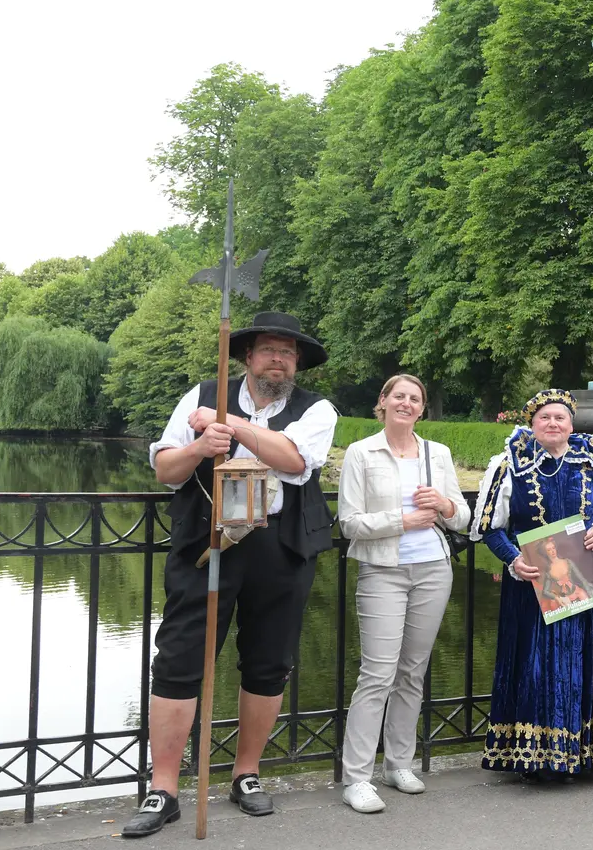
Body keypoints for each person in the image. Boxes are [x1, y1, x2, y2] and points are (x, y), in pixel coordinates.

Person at [124, 312, 338, 837]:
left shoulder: (317, 409)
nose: (278, 360)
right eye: (268, 349)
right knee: (178, 658)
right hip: (209, 540)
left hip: (279, 544)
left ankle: (246, 774)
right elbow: (166, 470)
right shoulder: (200, 393)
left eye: (288, 353)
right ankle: (165, 788)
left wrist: (232, 426)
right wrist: (200, 446)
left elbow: (293, 461)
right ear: (247, 356)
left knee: (268, 662)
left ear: (297, 363)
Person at [470, 390, 593, 782]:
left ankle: (582, 756)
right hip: (530, 584)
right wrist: (513, 558)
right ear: (532, 424)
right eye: (544, 418)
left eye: (560, 418)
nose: (553, 424)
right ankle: (536, 760)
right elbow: (489, 528)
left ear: (571, 424)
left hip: (581, 581)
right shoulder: (510, 463)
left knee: (581, 661)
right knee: (534, 664)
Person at [337, 374, 470, 812]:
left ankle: (399, 764)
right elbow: (350, 522)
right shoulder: (362, 452)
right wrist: (401, 520)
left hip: (433, 569)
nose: (407, 404)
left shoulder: (438, 453)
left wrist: (446, 506)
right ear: (384, 402)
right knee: (377, 674)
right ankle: (357, 777)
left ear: (421, 407)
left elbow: (462, 517)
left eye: (415, 399)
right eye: (400, 396)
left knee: (413, 671)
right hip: (382, 571)